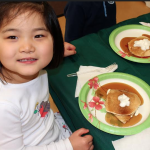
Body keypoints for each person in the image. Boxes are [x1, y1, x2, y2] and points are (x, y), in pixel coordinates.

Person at [0, 2, 93, 150]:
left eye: (38, 35)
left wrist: (56, 51)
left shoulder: (32, 65)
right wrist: (68, 146)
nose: (27, 48)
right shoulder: (4, 107)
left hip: (48, 126)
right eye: (12, 37)